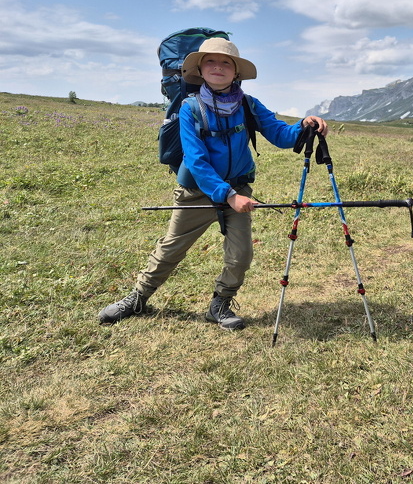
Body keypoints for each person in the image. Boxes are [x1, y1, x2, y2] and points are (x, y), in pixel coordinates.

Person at [99, 37, 328, 330]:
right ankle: (138, 298)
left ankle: (220, 303)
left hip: (238, 188)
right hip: (197, 191)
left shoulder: (248, 104)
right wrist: (227, 195)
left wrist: (304, 125)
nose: (217, 66)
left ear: (236, 72)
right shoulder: (189, 108)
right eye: (210, 61)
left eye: (225, 63)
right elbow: (195, 159)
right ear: (200, 70)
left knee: (241, 255)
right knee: (171, 248)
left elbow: (281, 135)